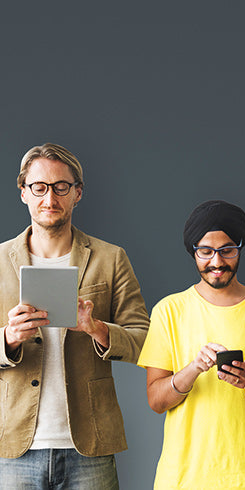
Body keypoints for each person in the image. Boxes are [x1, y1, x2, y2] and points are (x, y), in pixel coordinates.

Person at [0, 143, 149, 488]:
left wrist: (97, 329)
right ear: (23, 192)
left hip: (90, 445)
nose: (49, 198)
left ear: (78, 192)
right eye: (39, 187)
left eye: (60, 187)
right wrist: (8, 338)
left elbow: (143, 337)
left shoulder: (110, 259)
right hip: (14, 444)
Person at [138, 200, 245, 490]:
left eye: (227, 250)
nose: (216, 262)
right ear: (193, 252)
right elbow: (156, 401)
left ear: (239, 248)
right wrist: (193, 369)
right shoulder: (168, 310)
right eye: (206, 251)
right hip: (182, 479)